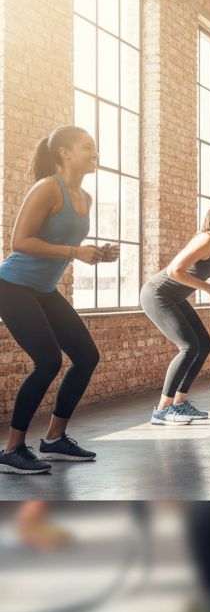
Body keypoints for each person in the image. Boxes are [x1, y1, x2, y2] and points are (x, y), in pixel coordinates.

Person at [0, 126, 117, 474]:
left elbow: (68, 242)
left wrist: (96, 253)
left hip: (44, 288)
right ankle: (12, 449)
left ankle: (54, 439)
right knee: (48, 361)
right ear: (65, 153)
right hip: (12, 284)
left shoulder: (85, 196)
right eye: (86, 147)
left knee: (85, 356)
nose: (93, 153)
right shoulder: (47, 188)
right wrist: (74, 251)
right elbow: (19, 242)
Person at [140, 200, 210, 425]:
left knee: (204, 344)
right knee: (189, 346)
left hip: (175, 297)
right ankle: (162, 409)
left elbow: (195, 274)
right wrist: (208, 287)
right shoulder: (206, 239)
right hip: (158, 294)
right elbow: (174, 270)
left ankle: (179, 403)